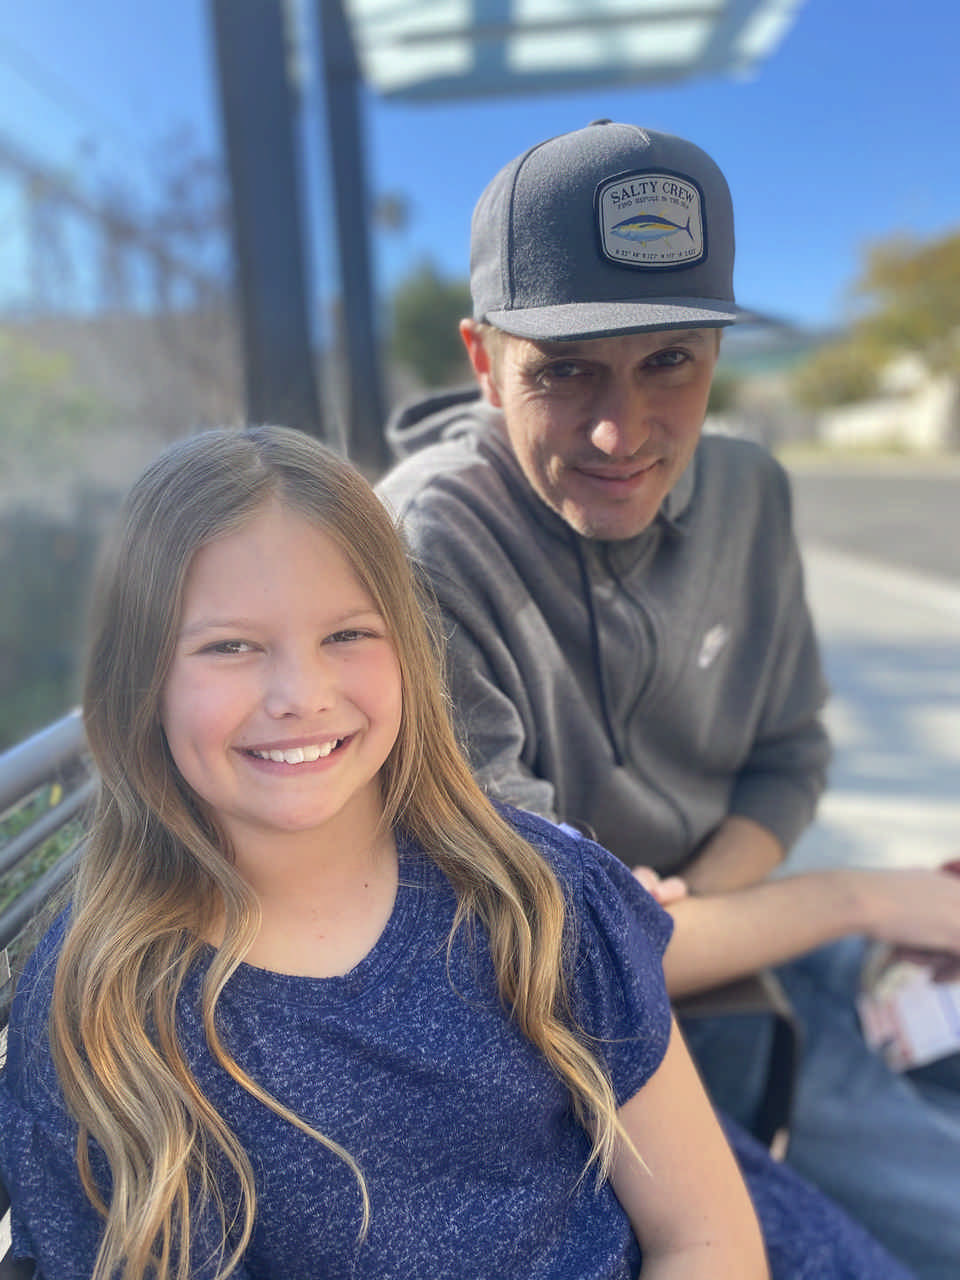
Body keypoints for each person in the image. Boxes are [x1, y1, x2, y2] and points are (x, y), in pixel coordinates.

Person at [377, 120, 960, 1279]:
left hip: (754, 939)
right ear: (484, 360)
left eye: (669, 363)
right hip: (597, 1044)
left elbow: (788, 755)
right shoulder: (420, 548)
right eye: (565, 369)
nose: (620, 431)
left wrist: (709, 909)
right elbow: (554, 957)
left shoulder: (750, 490)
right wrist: (855, 895)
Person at [0, 424, 776, 1279]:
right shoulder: (98, 1013)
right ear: (138, 680)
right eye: (229, 646)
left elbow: (705, 1236)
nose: (301, 695)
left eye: (347, 635)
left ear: (408, 648)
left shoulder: (541, 899)